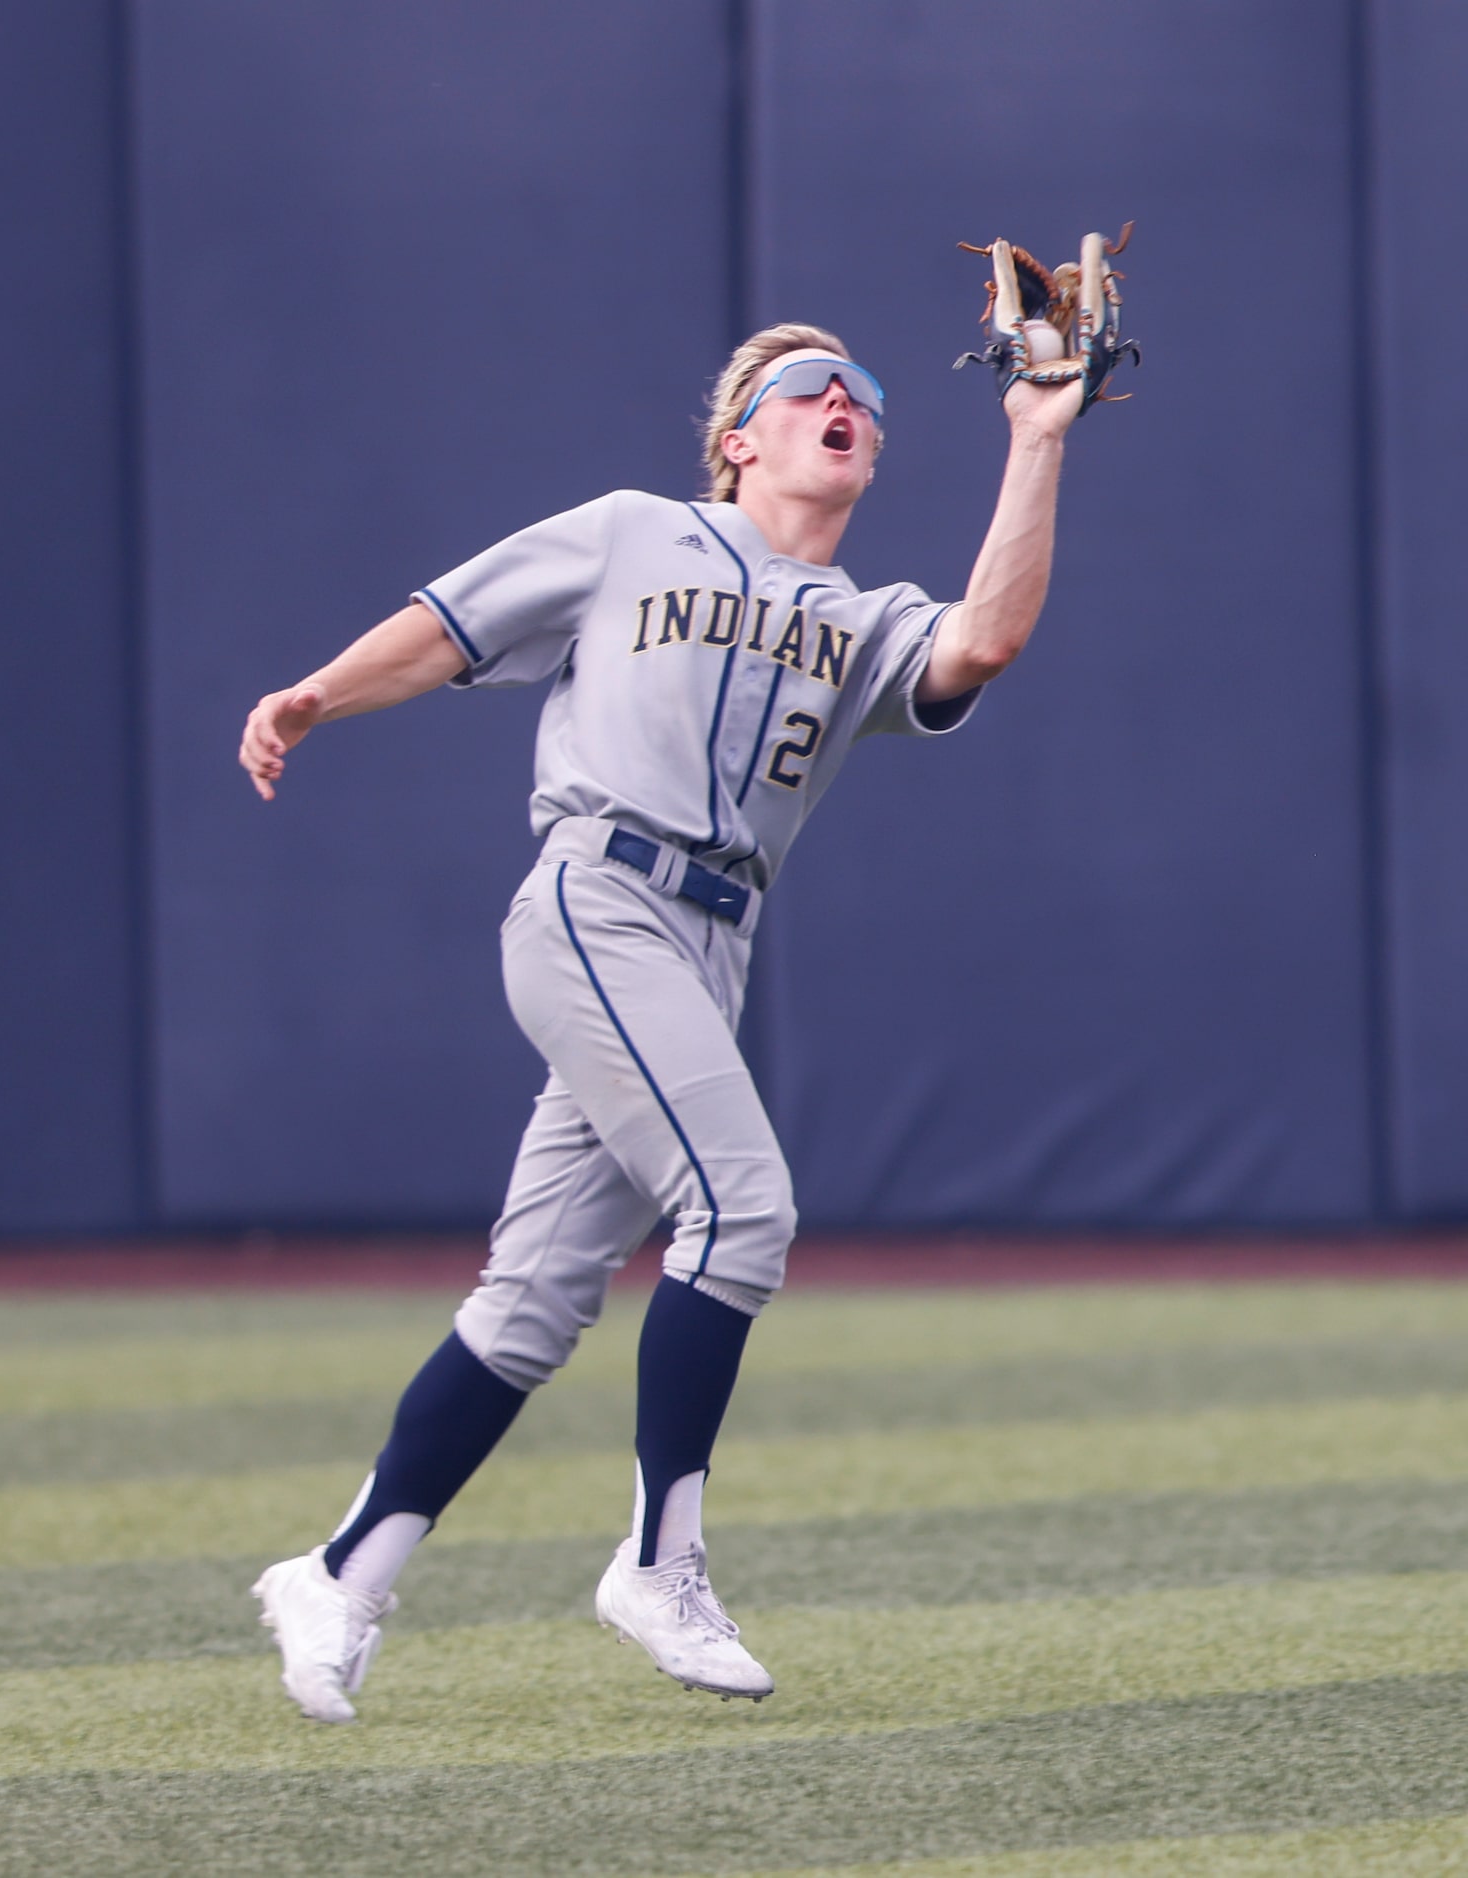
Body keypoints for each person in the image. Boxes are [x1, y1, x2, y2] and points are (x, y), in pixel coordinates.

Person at [238, 322, 1083, 1722]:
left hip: (711, 943)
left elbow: (986, 635)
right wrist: (318, 694)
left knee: (532, 1300)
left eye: (864, 396)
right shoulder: (635, 535)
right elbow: (452, 623)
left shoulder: (865, 620)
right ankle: (659, 1558)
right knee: (741, 1212)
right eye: (804, 389)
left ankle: (341, 1570)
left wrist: (1037, 439)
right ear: (738, 439)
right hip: (597, 895)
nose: (842, 404)